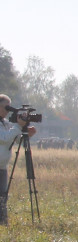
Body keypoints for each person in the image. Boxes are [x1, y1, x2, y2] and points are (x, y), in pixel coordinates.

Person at [0, 94, 37, 225]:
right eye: (6, 107)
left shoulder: (5, 123)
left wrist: (26, 134)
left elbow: (14, 139)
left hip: (2, 167)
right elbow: (4, 138)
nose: (8, 110)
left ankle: (3, 223)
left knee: (3, 196)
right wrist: (18, 126)